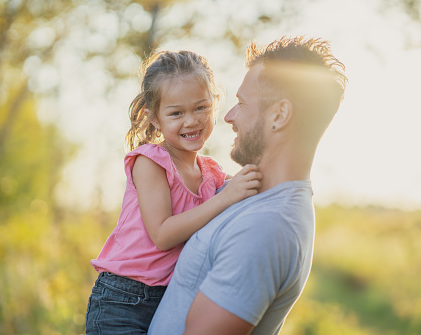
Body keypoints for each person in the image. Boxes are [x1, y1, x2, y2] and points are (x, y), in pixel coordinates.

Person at [148, 36, 348, 335]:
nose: (228, 116)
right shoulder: (246, 198)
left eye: (241, 103)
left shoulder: (266, 227)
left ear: (279, 115)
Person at [85, 50, 262, 334]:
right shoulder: (151, 162)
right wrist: (228, 197)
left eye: (201, 108)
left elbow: (241, 193)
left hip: (167, 299)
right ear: (155, 118)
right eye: (176, 113)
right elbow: (163, 234)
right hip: (122, 301)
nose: (191, 121)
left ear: (215, 105)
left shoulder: (211, 173)